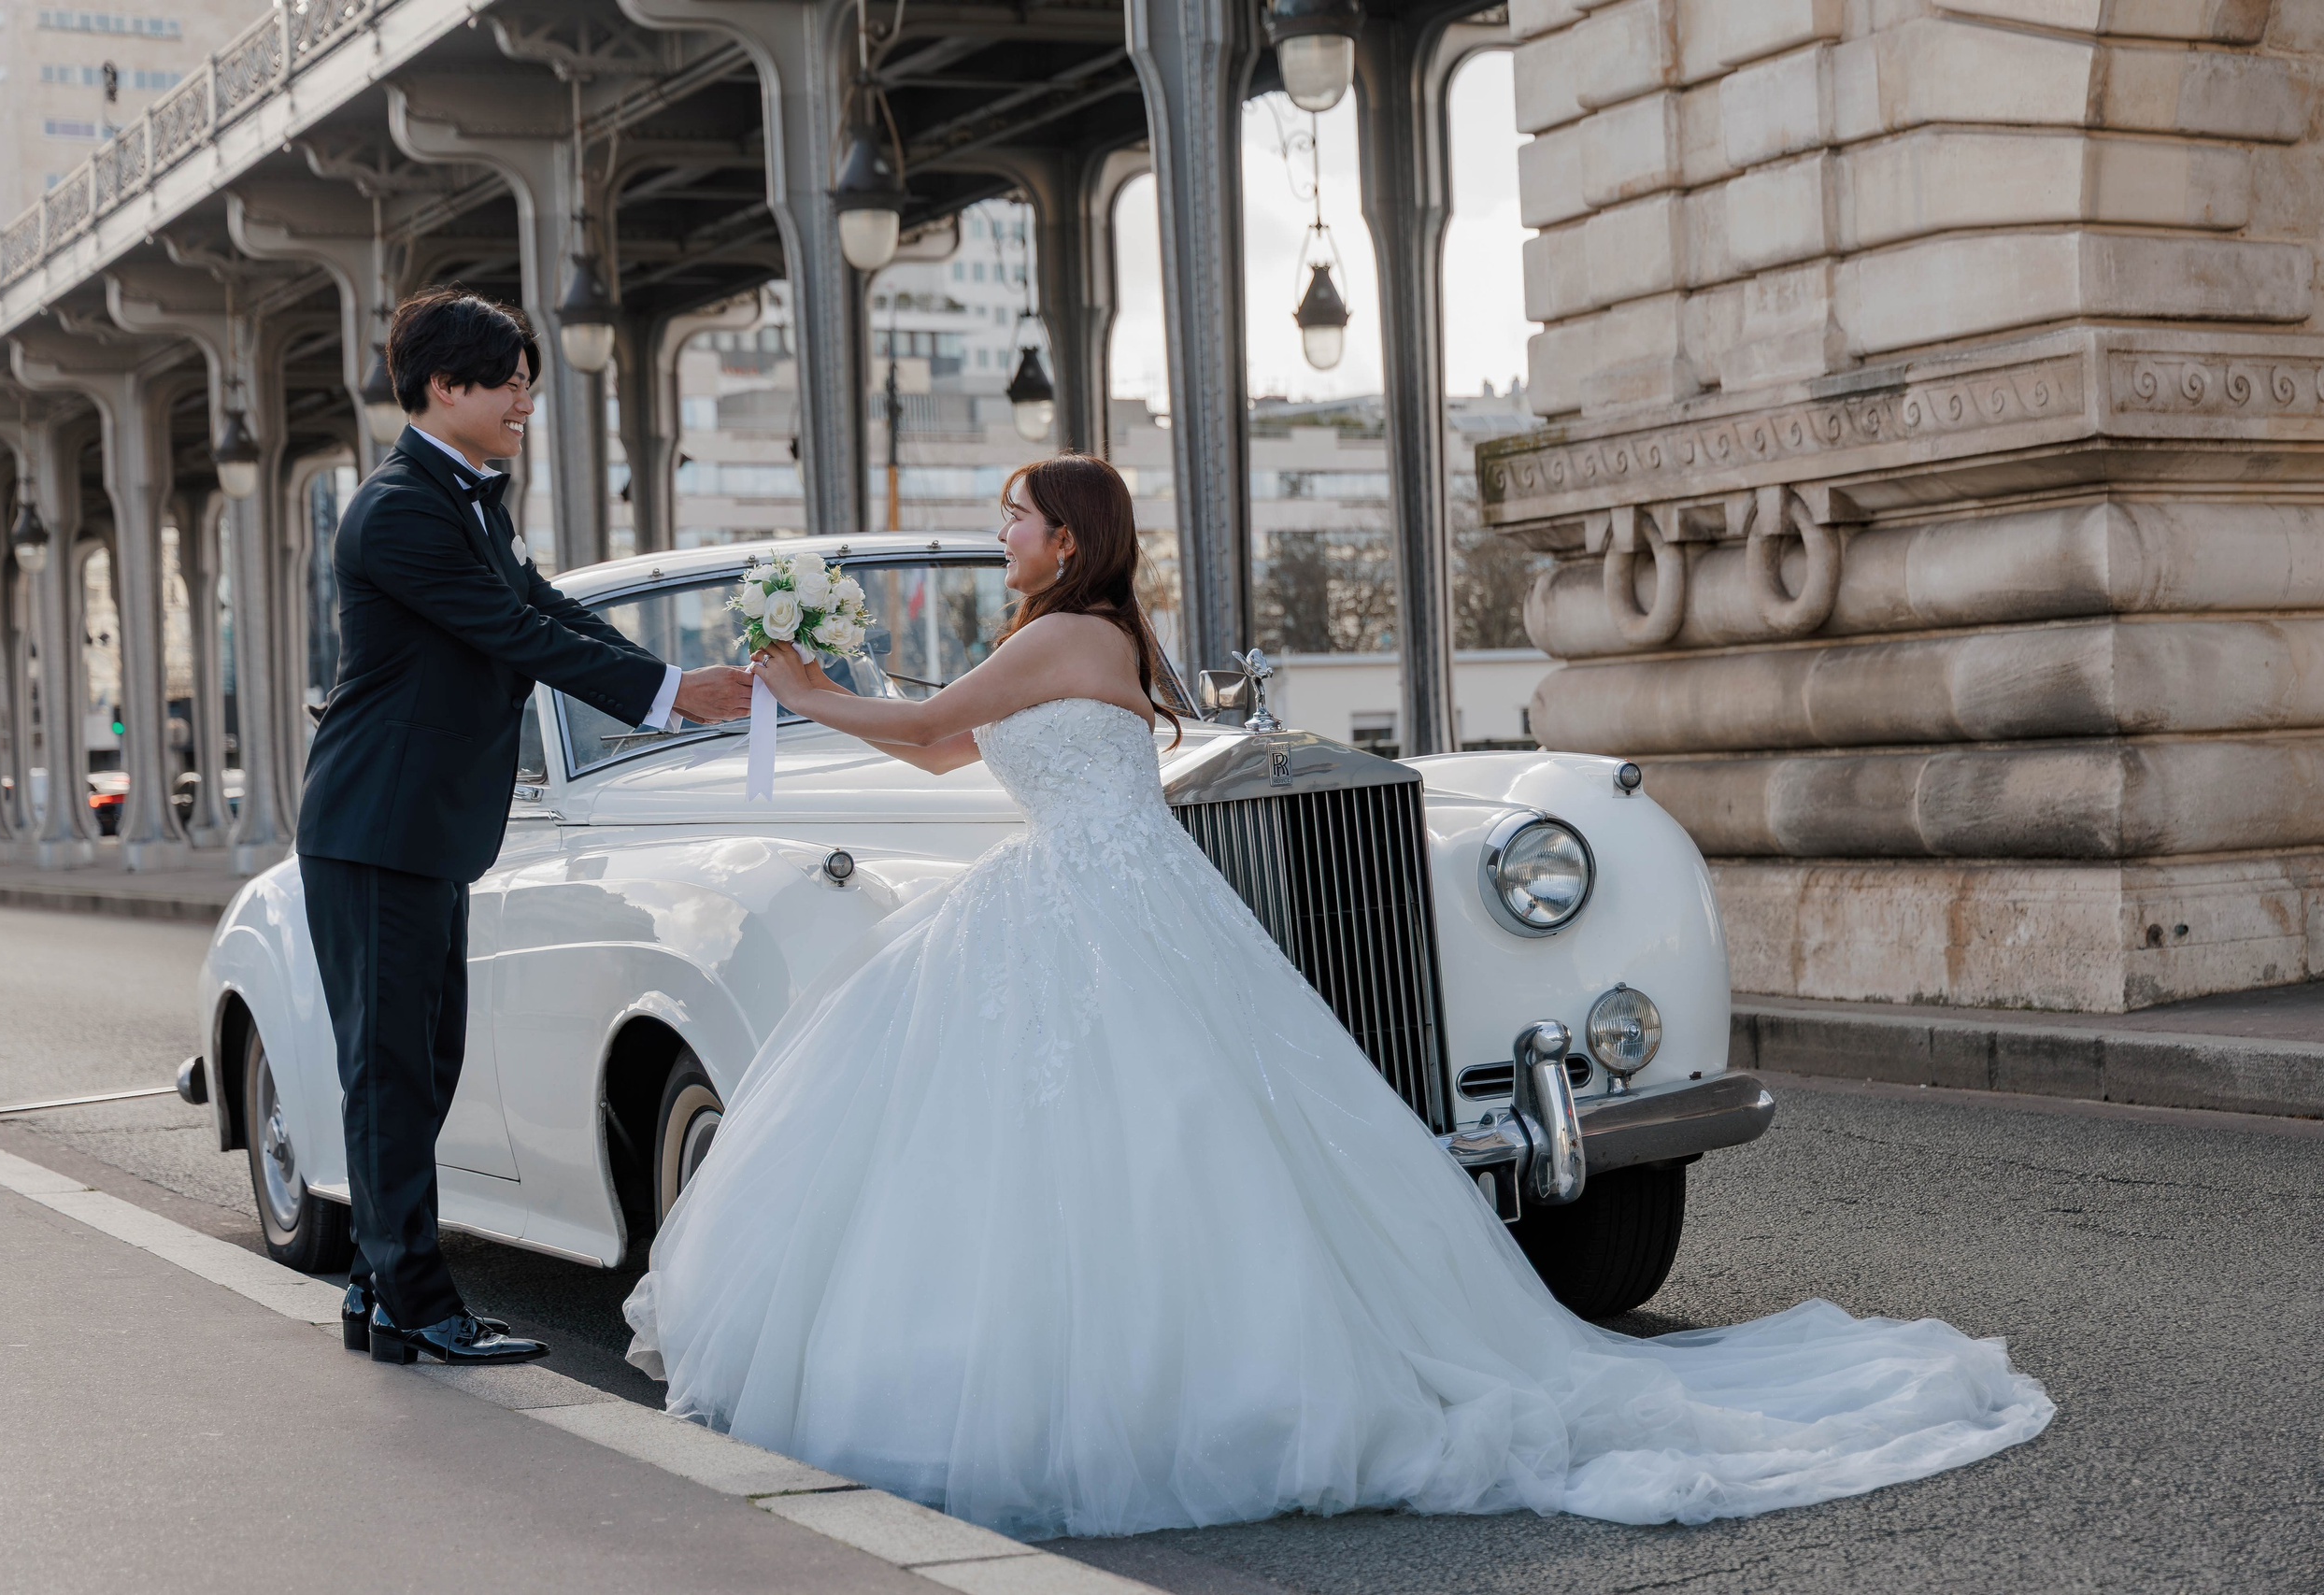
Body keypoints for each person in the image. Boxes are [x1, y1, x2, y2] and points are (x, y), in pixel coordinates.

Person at [622, 452, 2052, 1538]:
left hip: (1095, 897)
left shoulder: (1070, 632)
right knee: (1150, 1142)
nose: (1000, 533)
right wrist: (825, 682)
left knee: (1138, 1139)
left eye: (1011, 514)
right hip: (1098, 890)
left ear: (1063, 538)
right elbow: (941, 754)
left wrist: (798, 686)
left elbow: (935, 722)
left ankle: (1184, 1385)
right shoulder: (1070, 635)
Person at [297, 287, 749, 1367]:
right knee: (394, 1069)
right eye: (508, 383)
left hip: (417, 827)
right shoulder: (401, 505)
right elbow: (507, 630)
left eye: (527, 385)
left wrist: (684, 672)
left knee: (423, 1062)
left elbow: (547, 608)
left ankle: (377, 1292)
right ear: (444, 386)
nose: (523, 404)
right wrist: (673, 695)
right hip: (377, 824)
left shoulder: (465, 499)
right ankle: (416, 1302)